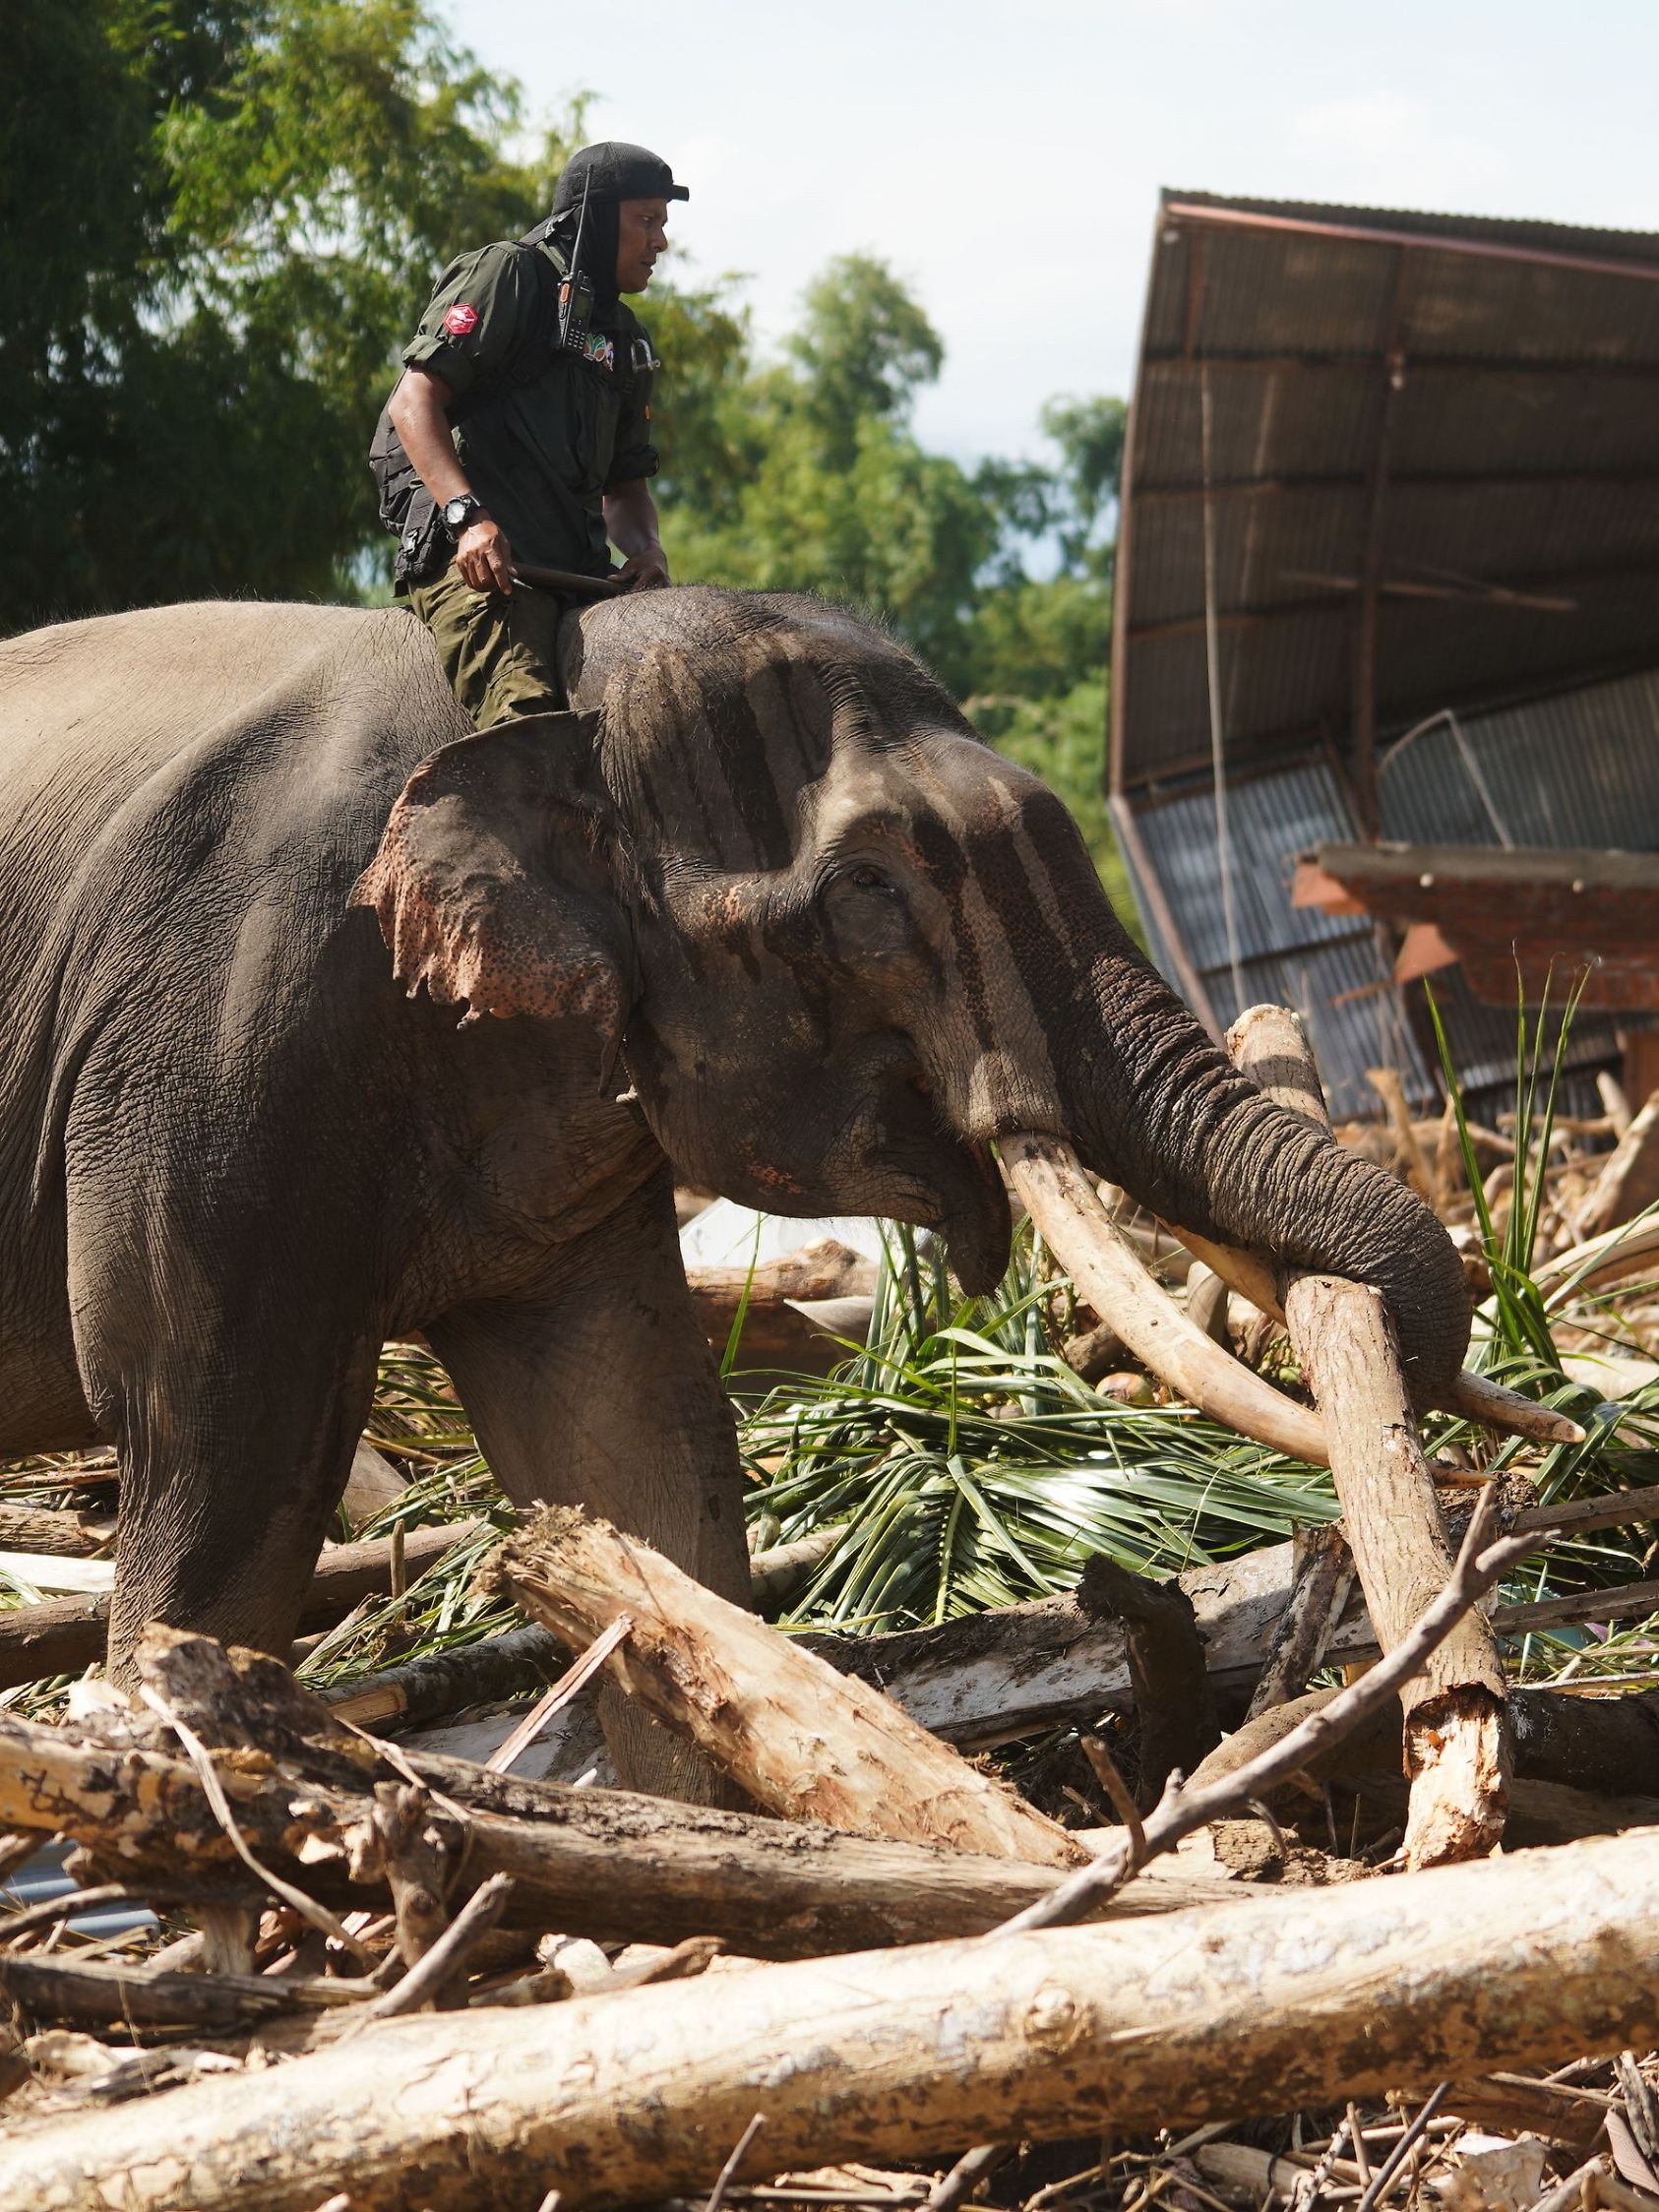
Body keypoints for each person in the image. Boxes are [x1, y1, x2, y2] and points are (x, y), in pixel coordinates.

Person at [369, 141, 686, 727]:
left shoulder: (625, 338)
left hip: (579, 576)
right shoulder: (509, 273)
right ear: (593, 219)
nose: (660, 242)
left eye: (663, 225)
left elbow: (626, 484)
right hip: (481, 569)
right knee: (530, 727)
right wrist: (468, 519)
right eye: (645, 221)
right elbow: (413, 402)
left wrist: (646, 551)